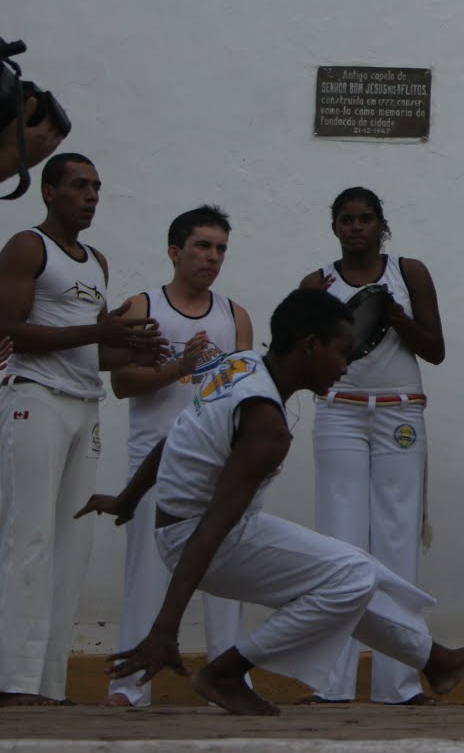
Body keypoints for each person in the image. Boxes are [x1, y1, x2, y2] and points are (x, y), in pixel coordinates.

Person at [74, 288, 464, 715]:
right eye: (341, 351)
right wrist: (164, 629)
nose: (347, 364)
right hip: (197, 536)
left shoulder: (240, 365)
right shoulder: (267, 428)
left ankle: (436, 661)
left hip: (196, 527)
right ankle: (227, 671)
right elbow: (213, 528)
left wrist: (128, 500)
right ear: (309, 347)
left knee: (353, 567)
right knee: (350, 576)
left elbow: (178, 436)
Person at [0, 152, 163, 707]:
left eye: (96, 186)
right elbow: (10, 330)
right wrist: (94, 332)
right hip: (35, 399)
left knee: (72, 544)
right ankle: (12, 679)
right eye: (78, 185)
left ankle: (47, 683)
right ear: (48, 191)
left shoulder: (96, 262)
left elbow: (92, 351)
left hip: (84, 406)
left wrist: (132, 347)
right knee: (31, 536)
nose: (91, 195)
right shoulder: (29, 247)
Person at [296, 187, 445, 705]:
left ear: (382, 224)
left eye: (365, 219)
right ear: (333, 226)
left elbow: (437, 348)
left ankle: (399, 683)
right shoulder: (318, 282)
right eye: (346, 219)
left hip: (401, 411)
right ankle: (330, 683)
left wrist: (391, 315)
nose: (356, 227)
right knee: (339, 544)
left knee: (397, 540)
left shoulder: (409, 272)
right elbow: (300, 355)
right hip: (340, 411)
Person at [104, 205, 256, 708]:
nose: (212, 258)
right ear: (174, 251)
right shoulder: (141, 308)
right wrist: (180, 368)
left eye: (220, 249)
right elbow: (123, 383)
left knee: (226, 573)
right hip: (155, 463)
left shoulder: (234, 316)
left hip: (215, 464)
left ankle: (228, 680)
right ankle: (128, 687)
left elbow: (244, 391)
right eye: (202, 246)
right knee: (147, 574)